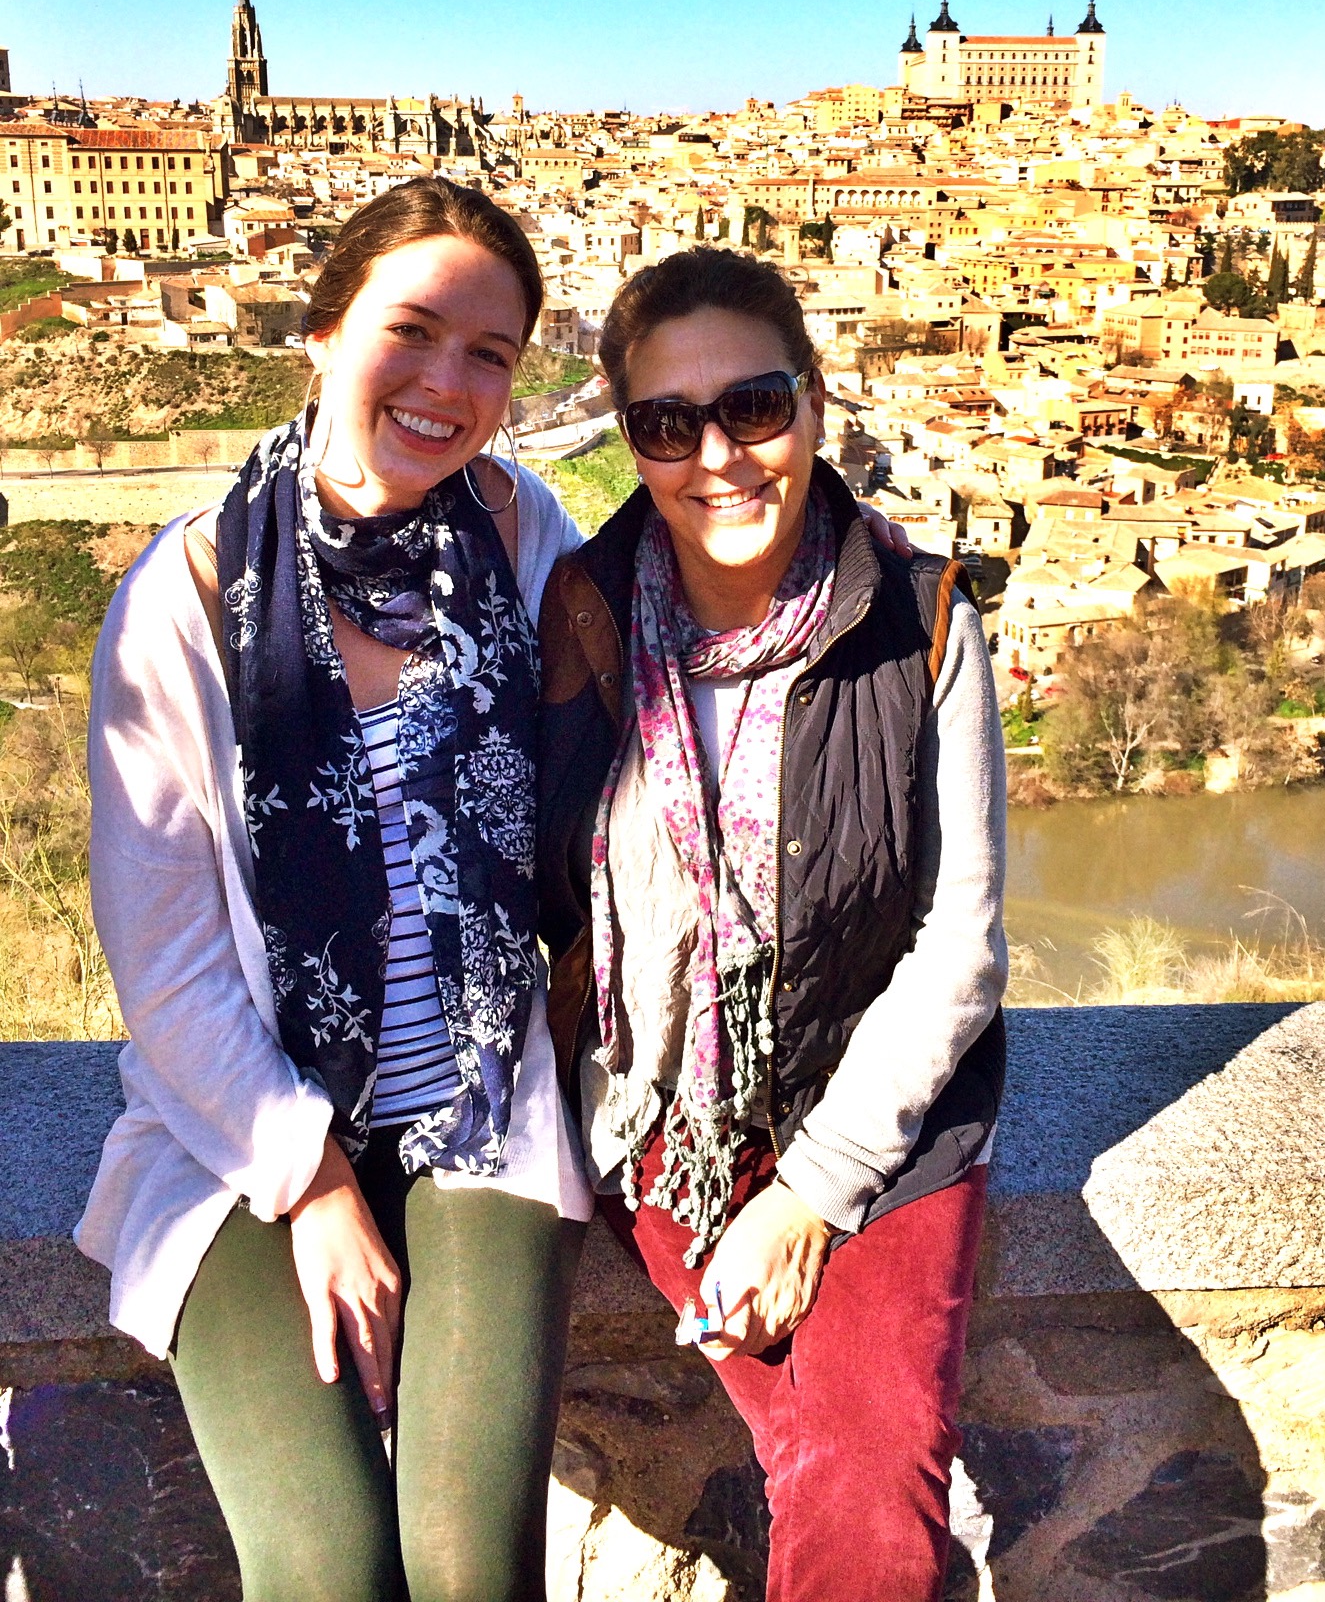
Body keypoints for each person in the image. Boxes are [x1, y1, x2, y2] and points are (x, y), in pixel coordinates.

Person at [76, 179, 597, 1602]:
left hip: (477, 1096)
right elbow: (166, 961)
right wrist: (310, 1185)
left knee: (468, 1568)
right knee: (326, 1566)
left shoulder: (525, 535)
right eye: (409, 331)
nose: (446, 384)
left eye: (488, 354)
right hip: (240, 1125)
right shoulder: (185, 597)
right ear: (320, 333)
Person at [536, 247, 1008, 1602]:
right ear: (630, 439)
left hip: (882, 1122)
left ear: (813, 402)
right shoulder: (579, 614)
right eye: (666, 423)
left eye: (752, 406)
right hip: (655, 1131)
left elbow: (959, 946)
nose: (718, 458)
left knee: (866, 1480)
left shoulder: (921, 621)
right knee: (832, 1475)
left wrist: (809, 1194)